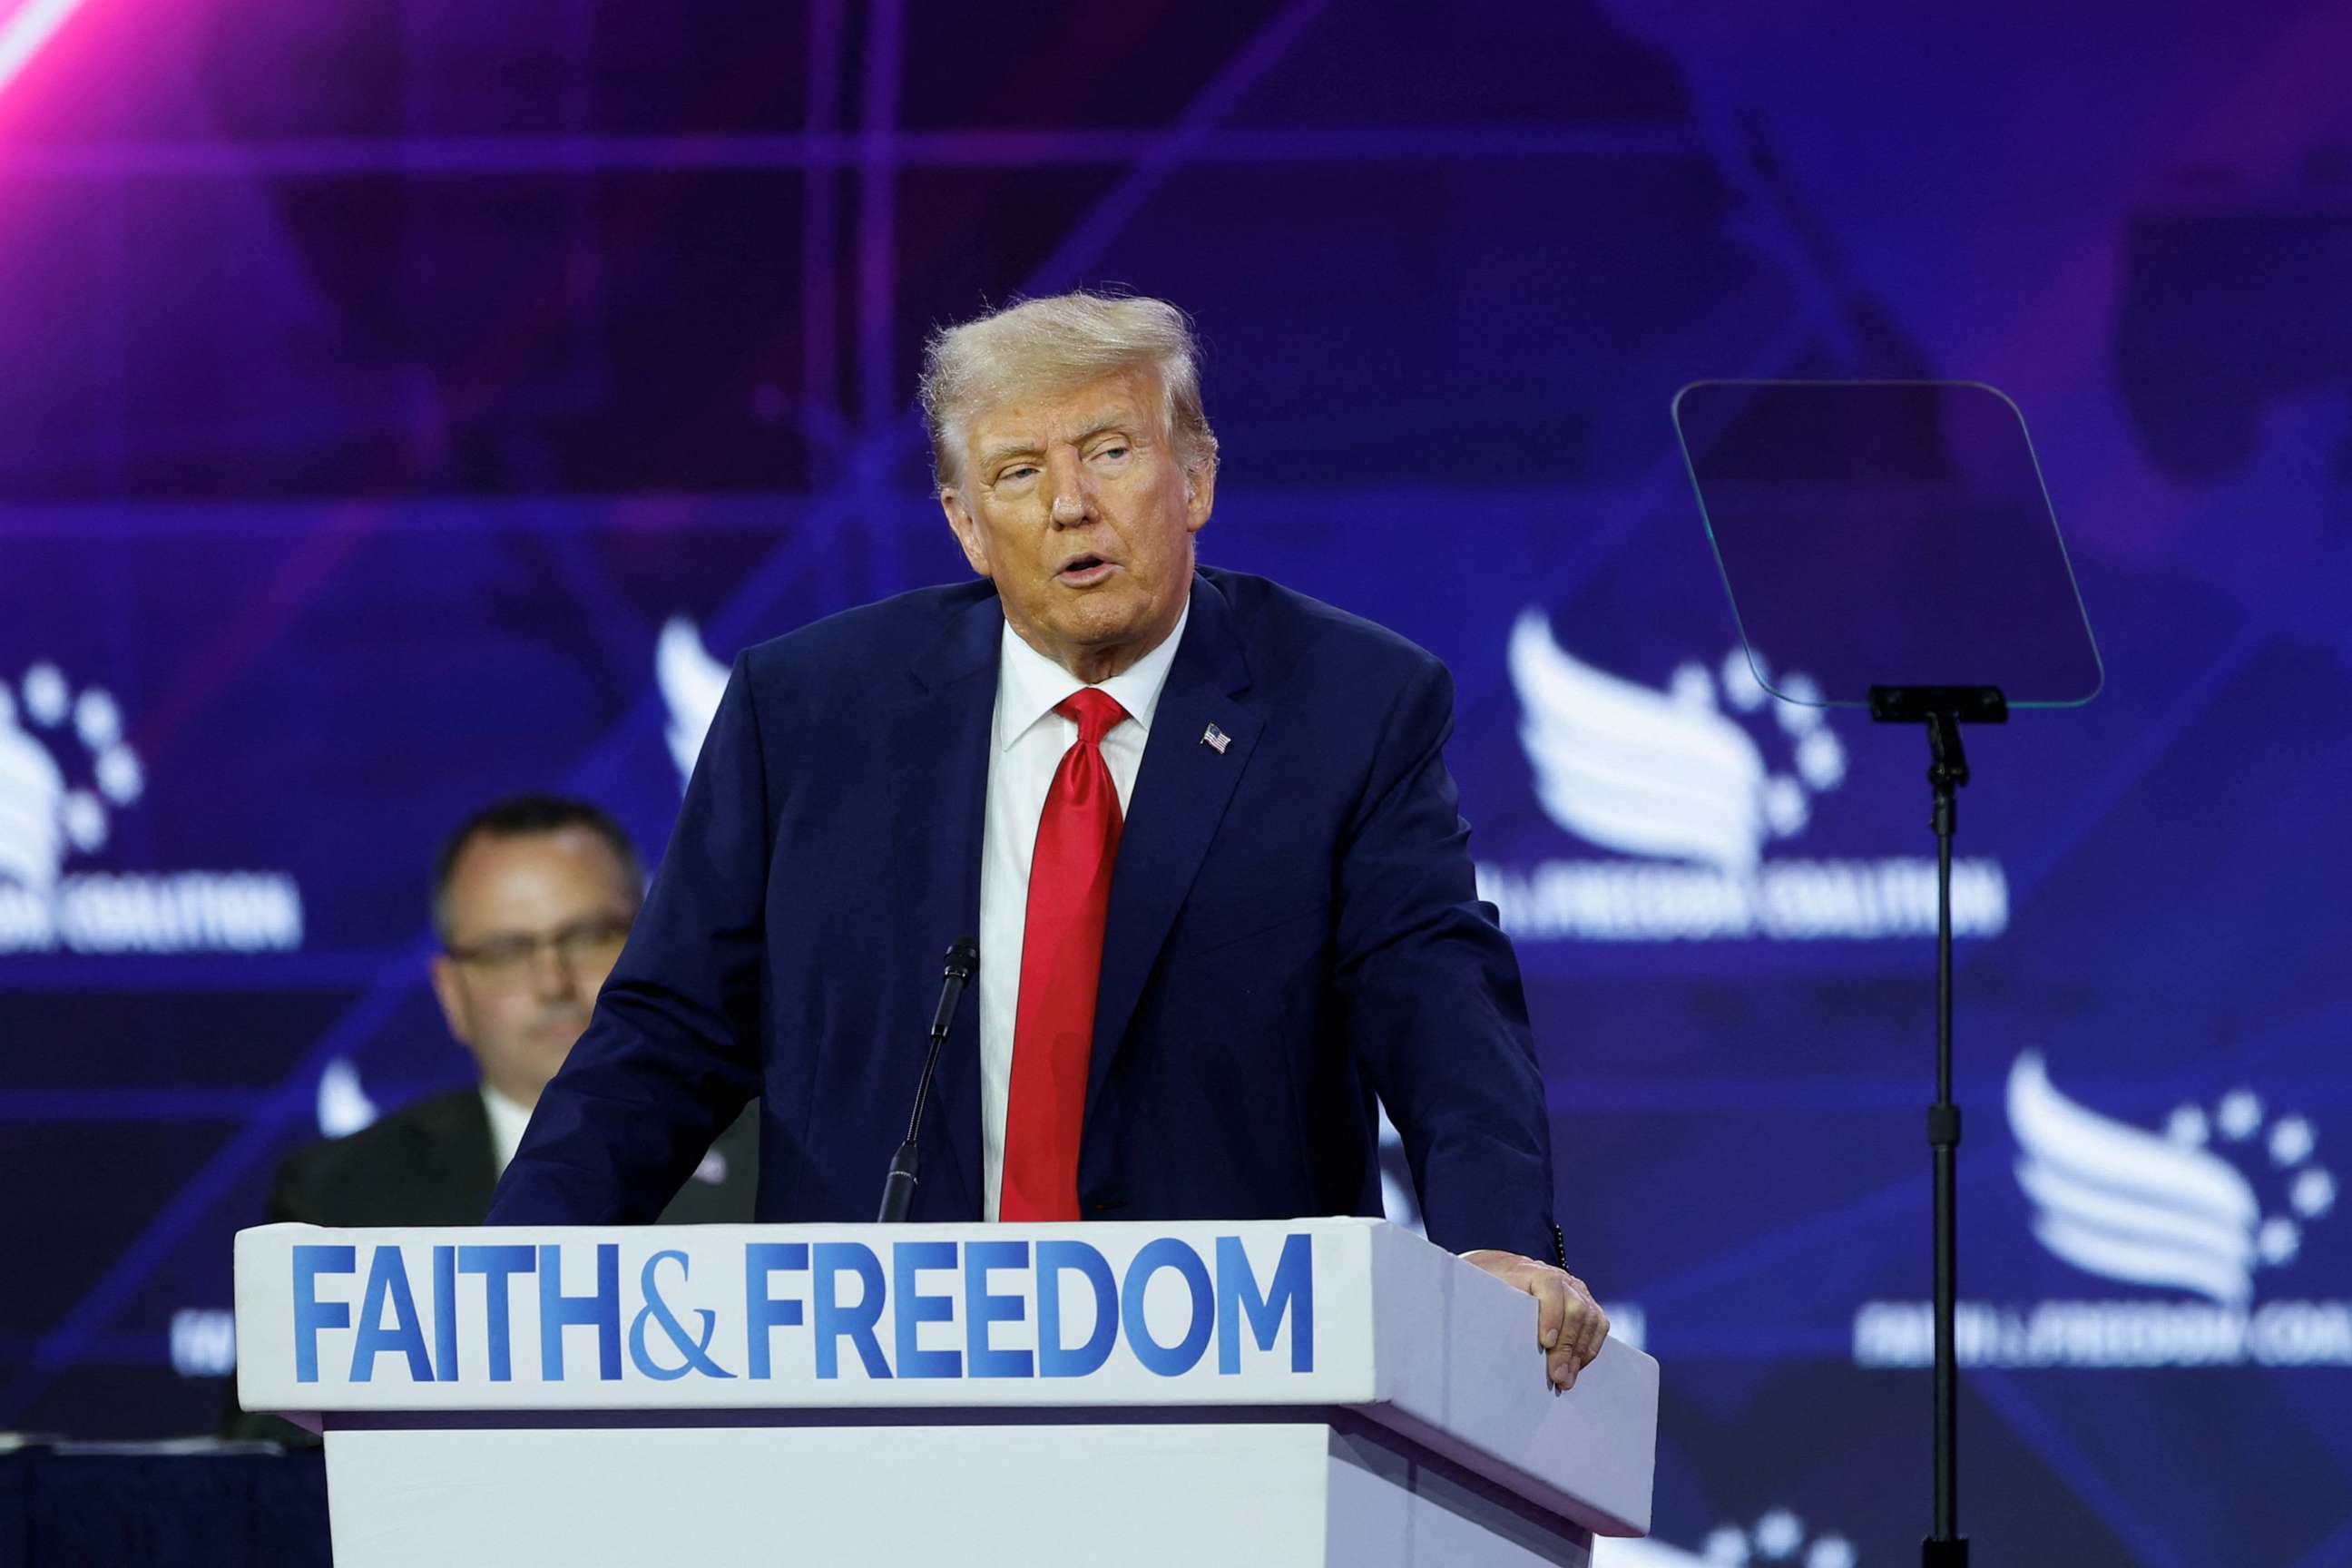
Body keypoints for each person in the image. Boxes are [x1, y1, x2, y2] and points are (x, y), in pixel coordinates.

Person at [489, 294, 1608, 1390]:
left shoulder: (1349, 705)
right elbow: (670, 1035)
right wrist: (512, 1268)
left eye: (1110, 452)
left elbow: (1439, 1005)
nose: (1069, 505)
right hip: (876, 1377)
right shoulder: (812, 712)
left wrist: (1494, 1247)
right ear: (966, 526)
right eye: (1018, 473)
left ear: (1198, 478)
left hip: (1232, 1378)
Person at [270, 794, 757, 1228]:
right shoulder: (337, 1198)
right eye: (506, 951)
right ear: (451, 993)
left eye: (589, 938)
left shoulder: (783, 1160)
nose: (553, 984)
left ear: (653, 949)